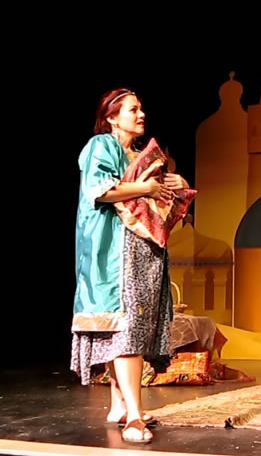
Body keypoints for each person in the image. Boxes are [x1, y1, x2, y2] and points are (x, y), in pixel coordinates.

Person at [71, 88, 190, 443]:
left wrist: (177, 187)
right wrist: (145, 189)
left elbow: (154, 200)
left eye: (141, 109)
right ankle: (134, 419)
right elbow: (101, 190)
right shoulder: (100, 146)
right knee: (126, 329)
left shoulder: (140, 156)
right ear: (112, 117)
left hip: (144, 251)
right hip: (115, 252)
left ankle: (119, 404)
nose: (141, 114)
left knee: (132, 327)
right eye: (133, 109)